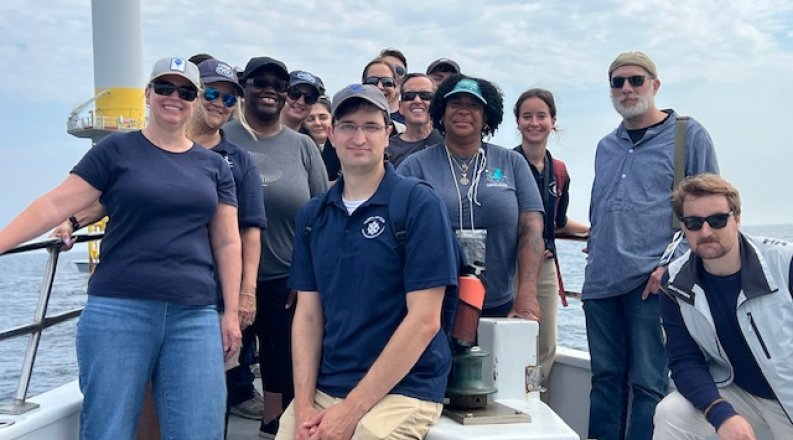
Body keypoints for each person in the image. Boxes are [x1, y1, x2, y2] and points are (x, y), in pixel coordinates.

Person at [0, 57, 242, 439]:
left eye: (185, 91)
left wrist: (231, 315)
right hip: (118, 309)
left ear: (195, 101)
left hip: (193, 314)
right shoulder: (115, 150)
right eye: (164, 87)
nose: (174, 97)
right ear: (148, 94)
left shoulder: (215, 167)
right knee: (108, 428)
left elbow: (227, 241)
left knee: (200, 429)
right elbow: (54, 204)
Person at [277, 84, 459, 440]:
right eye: (348, 126)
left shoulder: (418, 204)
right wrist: (304, 406)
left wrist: (351, 411)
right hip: (329, 383)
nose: (359, 137)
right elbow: (309, 315)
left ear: (388, 134)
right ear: (331, 134)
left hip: (405, 387)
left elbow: (424, 320)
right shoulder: (313, 215)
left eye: (371, 126)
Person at [583, 50, 719, 440]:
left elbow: (709, 208)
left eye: (636, 80)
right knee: (604, 380)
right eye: (618, 82)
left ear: (655, 85)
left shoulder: (688, 135)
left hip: (652, 282)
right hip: (600, 283)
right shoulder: (605, 146)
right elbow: (599, 208)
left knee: (648, 382)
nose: (627, 88)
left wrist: (673, 267)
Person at [224, 55, 328, 438]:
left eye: (279, 85)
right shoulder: (222, 138)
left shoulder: (303, 146)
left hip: (286, 280)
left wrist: (306, 276)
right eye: (260, 82)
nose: (270, 90)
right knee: (220, 367)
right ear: (245, 87)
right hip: (224, 280)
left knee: (282, 364)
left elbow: (323, 215)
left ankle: (272, 428)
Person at [653, 174, 793, 440]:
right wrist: (721, 414)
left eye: (717, 220)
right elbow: (684, 361)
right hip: (740, 392)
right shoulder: (675, 282)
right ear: (683, 227)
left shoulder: (785, 263)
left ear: (737, 219)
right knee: (671, 414)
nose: (706, 232)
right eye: (694, 223)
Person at [399, 74, 545, 319]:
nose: (463, 111)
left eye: (474, 105)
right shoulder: (414, 166)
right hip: (429, 306)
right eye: (455, 104)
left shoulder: (512, 163)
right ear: (441, 112)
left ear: (486, 116)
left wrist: (527, 295)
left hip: (499, 303)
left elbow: (531, 229)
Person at [512, 88, 589, 388]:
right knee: (508, 334)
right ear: (517, 122)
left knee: (545, 344)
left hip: (544, 266)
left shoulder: (559, 171)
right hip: (509, 265)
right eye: (527, 116)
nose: (534, 123)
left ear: (553, 121)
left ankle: (534, 400)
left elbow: (559, 222)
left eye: (541, 116)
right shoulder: (504, 165)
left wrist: (592, 231)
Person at [385, 73, 443, 167]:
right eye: (409, 96)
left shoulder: (448, 144)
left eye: (425, 95)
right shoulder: (386, 148)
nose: (417, 101)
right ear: (400, 107)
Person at [302, 96, 342, 184]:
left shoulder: (344, 144)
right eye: (310, 119)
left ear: (333, 119)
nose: (317, 123)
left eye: (323, 117)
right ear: (304, 123)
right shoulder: (299, 147)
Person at [361, 58, 405, 131]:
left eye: (387, 82)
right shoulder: (346, 120)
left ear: (395, 88)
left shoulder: (402, 131)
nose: (380, 87)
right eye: (372, 81)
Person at [379, 47, 408, 123]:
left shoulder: (412, 118)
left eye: (399, 71)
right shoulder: (357, 114)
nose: (393, 75)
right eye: (386, 69)